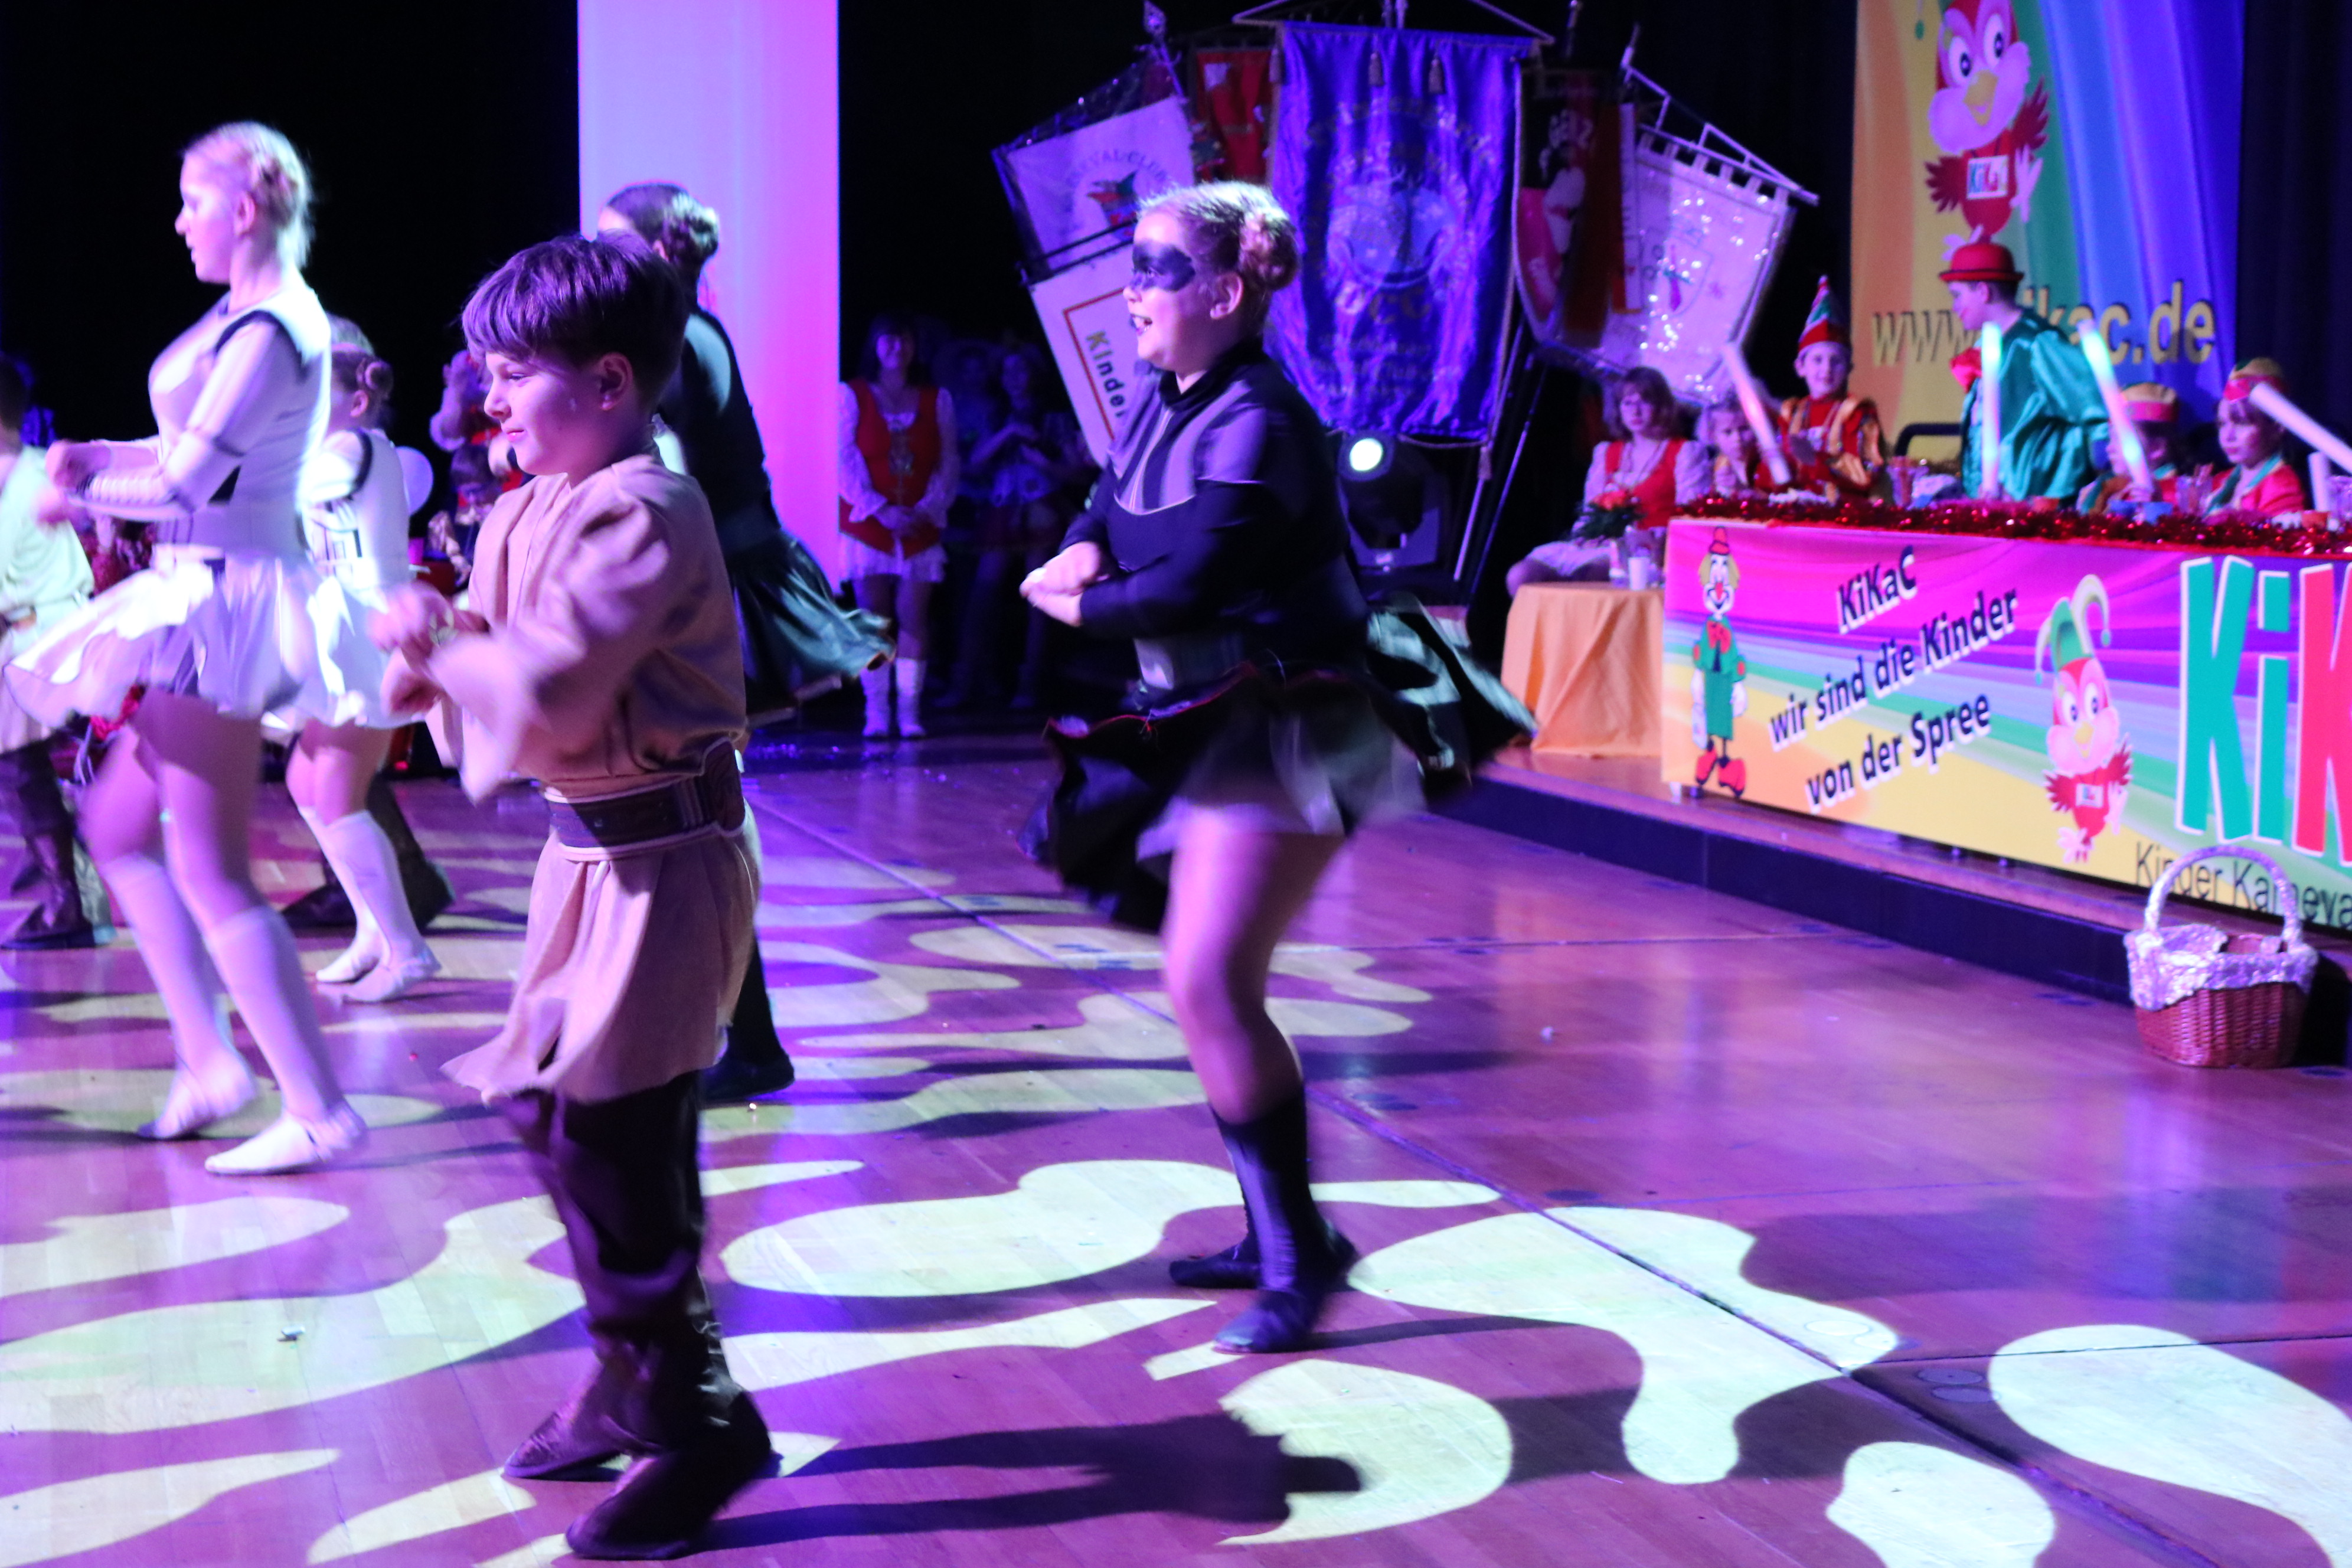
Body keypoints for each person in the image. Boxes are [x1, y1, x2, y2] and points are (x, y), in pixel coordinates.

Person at [1022, 182, 1528, 1354]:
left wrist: (1077, 604)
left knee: (1207, 976)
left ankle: (1298, 1254)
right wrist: (1080, 551)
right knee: (1209, 980)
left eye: (1153, 268)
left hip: (1293, 717)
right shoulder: (1168, 399)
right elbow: (1108, 503)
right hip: (1205, 712)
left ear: (1223, 291)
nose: (1131, 290)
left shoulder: (1262, 418)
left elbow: (1191, 581)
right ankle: (1279, 1235)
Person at [374, 233, 769, 1559]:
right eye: (486, 370)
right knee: (555, 1111)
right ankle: (632, 1372)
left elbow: (544, 694)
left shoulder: (645, 508)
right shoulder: (527, 506)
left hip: (665, 861)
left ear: (608, 381)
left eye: (512, 372)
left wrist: (439, 642)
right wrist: (434, 654)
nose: (487, 397)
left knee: (617, 1136)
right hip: (585, 856)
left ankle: (696, 1420)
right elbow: (489, 713)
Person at [9, 123, 363, 1171]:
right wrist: (92, 455)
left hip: (227, 599)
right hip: (198, 588)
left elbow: (184, 483)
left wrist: (80, 495)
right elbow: (177, 449)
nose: (178, 224)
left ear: (244, 211)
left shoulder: (272, 328)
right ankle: (210, 1061)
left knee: (210, 868)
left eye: (192, 204)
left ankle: (317, 1107)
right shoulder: (243, 318)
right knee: (118, 827)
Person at [598, 181, 891, 1103]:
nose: (600, 258)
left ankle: (745, 1041)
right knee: (695, 813)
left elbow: (668, 473)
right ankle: (735, 1035)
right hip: (714, 578)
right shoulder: (687, 329)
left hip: (712, 587)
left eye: (613, 241)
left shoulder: (679, 337)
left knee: (695, 816)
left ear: (658, 249)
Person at [279, 328, 442, 1001]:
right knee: (303, 779)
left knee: (338, 797)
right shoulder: (335, 452)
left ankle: (407, 948)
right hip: (338, 623)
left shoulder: (359, 448)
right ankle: (374, 931)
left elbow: (283, 487)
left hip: (370, 629)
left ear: (356, 401)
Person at [0, 354, 101, 949]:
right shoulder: (35, 470)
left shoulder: (35, 477)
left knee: (20, 766)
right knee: (23, 765)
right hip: (41, 632)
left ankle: (67, 897)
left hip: (43, 637)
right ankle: (63, 857)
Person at [946, 343, 1091, 710]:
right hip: (1002, 508)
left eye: (1021, 370)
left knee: (1038, 597)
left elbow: (1077, 469)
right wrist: (1010, 433)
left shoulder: (1053, 417)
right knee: (982, 596)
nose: (1013, 378)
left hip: (1041, 506)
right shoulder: (998, 414)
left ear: (1034, 374)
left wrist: (1042, 461)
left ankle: (1030, 685)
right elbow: (974, 462)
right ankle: (966, 682)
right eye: (1007, 371)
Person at [841, 315, 957, 737]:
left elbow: (949, 460)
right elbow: (843, 458)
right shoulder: (851, 394)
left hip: (920, 525)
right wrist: (880, 510)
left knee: (913, 617)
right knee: (874, 620)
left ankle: (909, 713)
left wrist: (927, 508)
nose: (897, 347)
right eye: (889, 339)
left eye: (905, 339)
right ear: (875, 345)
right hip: (869, 525)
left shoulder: (936, 398)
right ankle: (876, 712)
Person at [1505, 366, 1704, 593]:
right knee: (1522, 575)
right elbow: (1590, 510)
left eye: (1644, 402)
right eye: (1627, 403)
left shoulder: (1684, 452)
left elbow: (1690, 518)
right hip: (1602, 546)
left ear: (1662, 406)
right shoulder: (1606, 453)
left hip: (1649, 551)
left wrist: (1652, 537)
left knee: (1587, 574)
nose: (1635, 411)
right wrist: (1587, 535)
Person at [1944, 241, 2106, 501]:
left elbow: (2098, 414)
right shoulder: (1988, 348)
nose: (1954, 306)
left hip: (2038, 508)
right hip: (1991, 503)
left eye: (1957, 295)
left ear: (1983, 291)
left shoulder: (2038, 344)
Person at [1776, 277, 1883, 497]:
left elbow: (1868, 472)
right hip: (1797, 510)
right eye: (1817, 360)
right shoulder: (1792, 413)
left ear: (1849, 368)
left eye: (1836, 361)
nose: (1826, 369)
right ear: (1800, 367)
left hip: (1845, 514)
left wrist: (1816, 460)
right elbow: (1780, 475)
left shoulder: (1856, 413)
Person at [2209, 359, 2309, 518]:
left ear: (2277, 427)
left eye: (2242, 423)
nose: (2228, 436)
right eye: (2222, 424)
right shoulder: (2220, 481)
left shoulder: (2282, 485)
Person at [2076, 383, 2183, 514]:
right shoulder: (2104, 489)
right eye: (2111, 438)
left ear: (2157, 448)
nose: (2109, 448)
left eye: (2121, 439)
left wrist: (2154, 509)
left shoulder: (2178, 495)